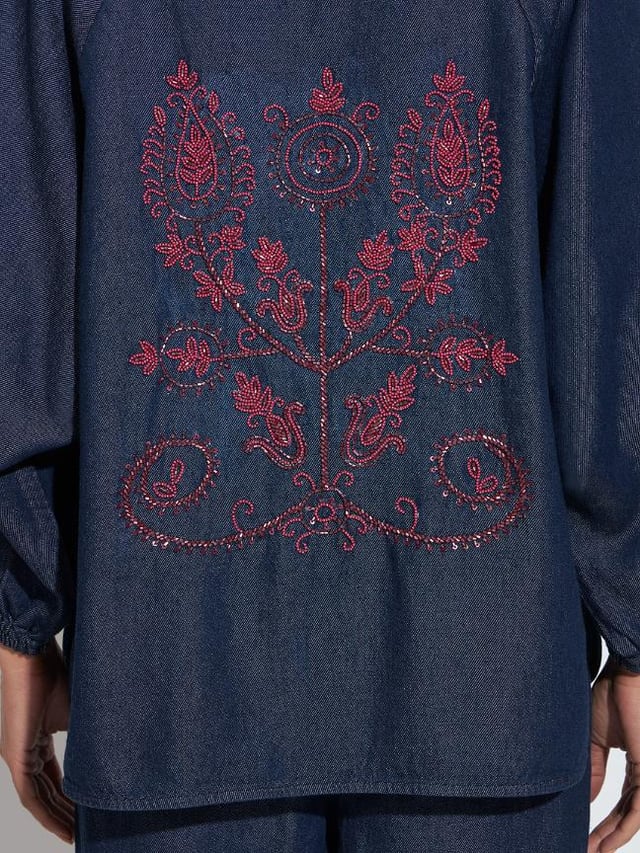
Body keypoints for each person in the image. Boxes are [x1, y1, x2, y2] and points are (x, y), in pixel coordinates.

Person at [1, 0, 639, 850]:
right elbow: (603, 286)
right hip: (479, 664)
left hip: (177, 661)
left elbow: (27, 282)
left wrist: (20, 606)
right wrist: (632, 613)